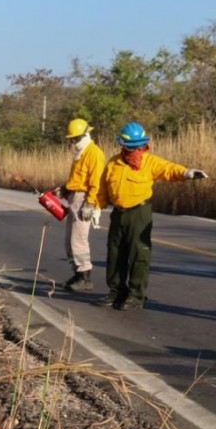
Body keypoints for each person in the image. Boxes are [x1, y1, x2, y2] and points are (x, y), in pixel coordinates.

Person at [95, 122, 209, 310]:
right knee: (115, 253)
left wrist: (186, 173)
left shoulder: (149, 161)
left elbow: (168, 169)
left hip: (139, 212)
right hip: (118, 213)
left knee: (139, 254)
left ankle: (136, 296)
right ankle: (116, 292)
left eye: (138, 146)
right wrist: (96, 207)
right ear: (122, 144)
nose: (136, 149)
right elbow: (102, 188)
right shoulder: (113, 163)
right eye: (131, 146)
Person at [60, 119, 106, 292]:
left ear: (86, 134)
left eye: (76, 138)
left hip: (84, 198)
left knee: (78, 240)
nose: (73, 142)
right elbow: (77, 178)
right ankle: (78, 273)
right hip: (75, 197)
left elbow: (96, 181)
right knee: (69, 241)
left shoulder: (94, 153)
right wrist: (66, 188)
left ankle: (85, 277)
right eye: (72, 139)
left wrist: (90, 203)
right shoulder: (81, 152)